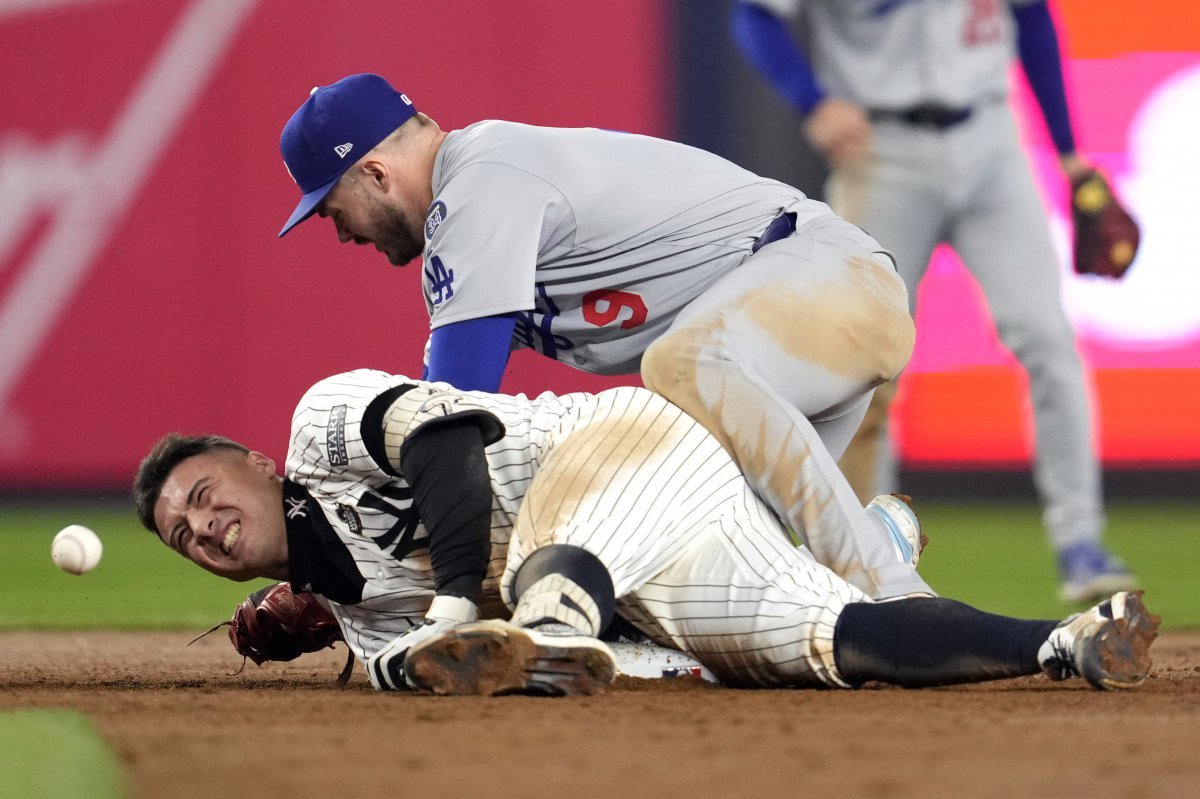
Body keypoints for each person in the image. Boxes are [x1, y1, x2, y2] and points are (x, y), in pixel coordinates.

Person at [274, 72, 928, 604]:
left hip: (829, 279)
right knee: (690, 563)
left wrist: (335, 548)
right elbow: (444, 424)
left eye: (333, 208)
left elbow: (449, 419)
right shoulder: (475, 204)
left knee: (684, 362)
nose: (340, 232)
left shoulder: (478, 188)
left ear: (378, 176)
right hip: (777, 347)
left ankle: (890, 586)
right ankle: (868, 550)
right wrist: (336, 586)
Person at [133, 369, 1158, 696]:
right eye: (184, 532)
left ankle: (570, 619)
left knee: (544, 563)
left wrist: (452, 605)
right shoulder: (366, 631)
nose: (203, 521)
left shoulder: (320, 425)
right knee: (821, 644)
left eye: (204, 489)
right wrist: (660, 664)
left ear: (256, 464)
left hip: (617, 446)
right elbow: (464, 660)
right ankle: (1065, 640)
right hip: (638, 565)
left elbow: (445, 442)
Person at [729, 0, 1137, 603]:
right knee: (863, 370)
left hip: (991, 138)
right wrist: (811, 100)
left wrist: (1070, 152)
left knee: (1049, 339)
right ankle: (869, 565)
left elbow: (1032, 15)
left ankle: (1081, 544)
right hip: (879, 148)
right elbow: (755, 15)